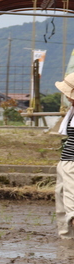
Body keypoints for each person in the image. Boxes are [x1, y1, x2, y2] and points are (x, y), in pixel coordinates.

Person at [53, 73, 74, 242]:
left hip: (73, 163)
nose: (67, 96)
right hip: (65, 161)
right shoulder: (72, 111)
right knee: (61, 197)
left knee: (71, 204)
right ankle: (67, 240)